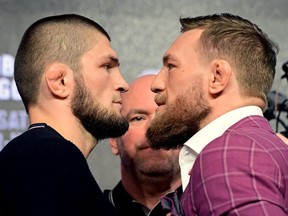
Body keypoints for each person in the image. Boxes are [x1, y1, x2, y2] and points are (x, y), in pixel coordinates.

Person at [146, 13, 288, 215]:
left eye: (171, 66)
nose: (156, 83)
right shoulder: (260, 148)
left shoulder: (230, 153)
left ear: (217, 77)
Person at [0, 14, 129, 216]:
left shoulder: (38, 156)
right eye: (107, 66)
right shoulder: (45, 157)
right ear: (60, 81)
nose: (123, 83)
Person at [105, 74, 182, 216]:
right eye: (138, 118)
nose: (154, 128)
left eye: (166, 117)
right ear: (114, 139)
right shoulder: (87, 209)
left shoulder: (215, 207)